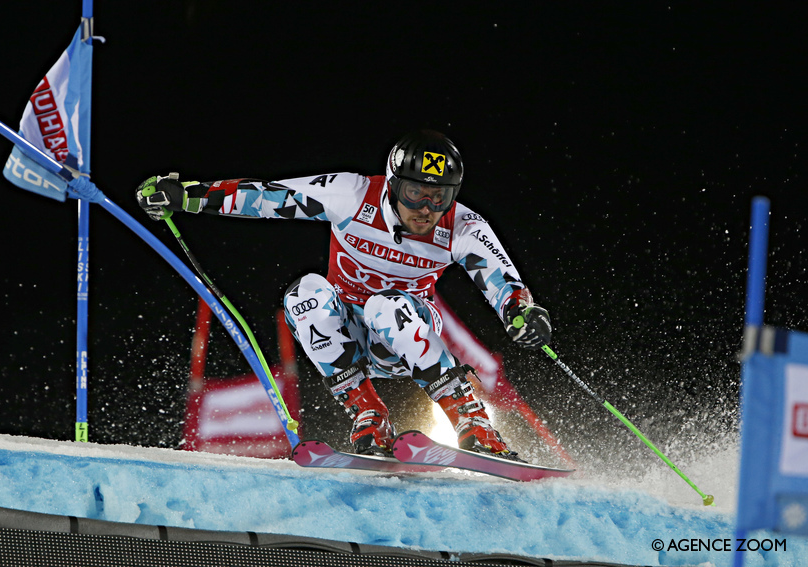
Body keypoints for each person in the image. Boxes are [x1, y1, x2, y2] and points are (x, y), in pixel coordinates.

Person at [136, 130, 552, 459]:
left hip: (406, 334)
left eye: (440, 196)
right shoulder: (351, 195)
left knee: (384, 305)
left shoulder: (462, 226)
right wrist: (188, 195)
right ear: (392, 185)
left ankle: (472, 421)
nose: (426, 208)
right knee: (306, 294)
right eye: (415, 194)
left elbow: (502, 281)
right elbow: (267, 196)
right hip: (350, 335)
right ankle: (370, 414)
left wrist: (523, 314)